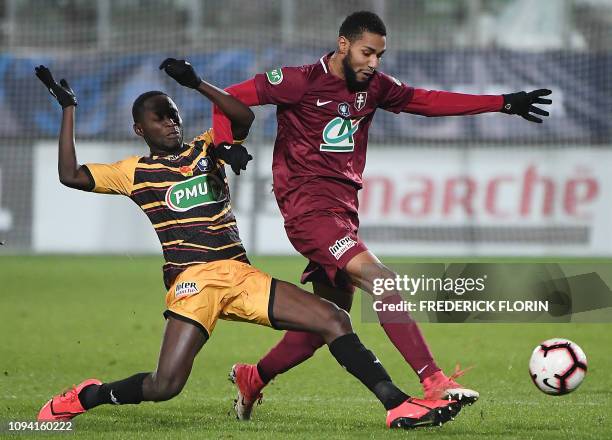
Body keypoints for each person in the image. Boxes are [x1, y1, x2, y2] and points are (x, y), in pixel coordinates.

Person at [34, 59, 460, 430]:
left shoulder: (207, 148)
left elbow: (243, 119)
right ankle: (86, 396)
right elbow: (70, 175)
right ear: (138, 128)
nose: (170, 123)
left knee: (334, 318)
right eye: (159, 118)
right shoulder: (133, 172)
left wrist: (198, 83)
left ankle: (397, 403)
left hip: (240, 276)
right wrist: (69, 108)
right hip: (194, 285)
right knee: (165, 386)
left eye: (174, 115)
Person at [212, 10, 553, 419]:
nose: (374, 63)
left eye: (379, 56)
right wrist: (223, 144)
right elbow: (230, 95)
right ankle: (433, 380)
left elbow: (427, 101)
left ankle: (254, 376)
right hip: (308, 211)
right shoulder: (300, 80)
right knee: (384, 281)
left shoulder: (373, 87)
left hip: (343, 213)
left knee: (329, 319)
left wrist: (502, 103)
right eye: (367, 53)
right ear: (344, 44)